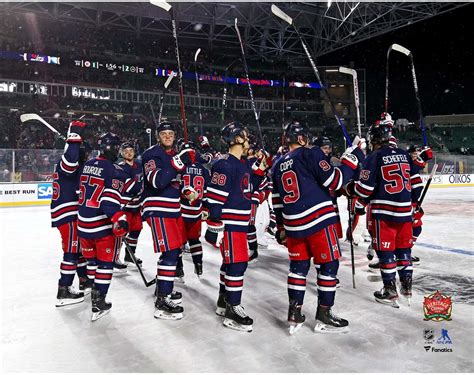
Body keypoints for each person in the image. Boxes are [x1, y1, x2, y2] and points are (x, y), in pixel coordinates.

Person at [272, 121, 365, 334]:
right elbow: (335, 181)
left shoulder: (277, 164)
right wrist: (352, 160)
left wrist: (281, 227)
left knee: (297, 269)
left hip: (293, 224)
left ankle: (294, 313)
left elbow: (276, 201)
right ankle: (324, 314)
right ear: (302, 139)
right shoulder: (310, 153)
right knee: (329, 266)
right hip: (318, 220)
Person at [350, 123, 426, 307]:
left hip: (384, 214)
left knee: (385, 252)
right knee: (404, 251)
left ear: (374, 140)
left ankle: (390, 290)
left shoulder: (374, 157)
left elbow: (365, 189)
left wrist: (353, 189)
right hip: (405, 213)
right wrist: (415, 204)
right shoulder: (404, 155)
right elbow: (416, 183)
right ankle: (406, 287)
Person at [203, 122, 268, 332]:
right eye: (246, 136)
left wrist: (259, 171)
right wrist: (215, 226)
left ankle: (224, 302)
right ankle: (233, 309)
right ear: (238, 139)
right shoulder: (224, 165)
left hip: (239, 224)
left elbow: (246, 188)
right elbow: (214, 199)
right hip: (230, 225)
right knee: (237, 265)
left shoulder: (242, 164)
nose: (249, 139)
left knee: (231, 265)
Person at [141, 121, 195, 320]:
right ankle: (162, 300)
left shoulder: (172, 156)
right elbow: (157, 181)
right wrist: (179, 162)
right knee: (170, 251)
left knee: (173, 251)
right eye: (163, 133)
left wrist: (186, 191)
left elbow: (173, 183)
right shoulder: (151, 154)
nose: (167, 136)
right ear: (157, 136)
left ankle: (164, 289)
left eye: (171, 133)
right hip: (158, 208)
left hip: (172, 208)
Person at [77, 132, 130, 321]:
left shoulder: (88, 165)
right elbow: (109, 203)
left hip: (82, 223)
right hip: (100, 226)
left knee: (91, 262)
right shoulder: (115, 170)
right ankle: (98, 302)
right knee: (105, 264)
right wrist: (119, 218)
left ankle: (92, 290)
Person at [51, 120, 91, 306]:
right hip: (68, 214)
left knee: (78, 249)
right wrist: (75, 136)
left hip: (68, 213)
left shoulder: (71, 164)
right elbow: (70, 162)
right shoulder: (69, 162)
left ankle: (84, 280)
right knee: (71, 251)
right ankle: (64, 289)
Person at [178, 138, 210, 276]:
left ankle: (178, 269)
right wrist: (206, 207)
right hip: (196, 210)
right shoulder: (203, 169)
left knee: (178, 242)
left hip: (181, 210)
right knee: (194, 240)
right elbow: (208, 190)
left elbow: (175, 186)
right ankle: (198, 264)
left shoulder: (180, 167)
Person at [117, 141, 144, 270]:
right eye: (125, 151)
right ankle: (114, 257)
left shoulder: (139, 165)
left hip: (136, 205)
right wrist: (143, 186)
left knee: (136, 230)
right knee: (120, 233)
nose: (128, 153)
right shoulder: (120, 167)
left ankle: (130, 255)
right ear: (122, 153)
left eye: (130, 150)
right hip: (124, 206)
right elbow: (129, 187)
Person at [407, 144, 433, 264]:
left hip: (413, 202)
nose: (416, 155)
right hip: (408, 203)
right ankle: (402, 253)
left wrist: (425, 156)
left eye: (418, 153)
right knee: (411, 228)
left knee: (416, 229)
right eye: (415, 153)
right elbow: (418, 164)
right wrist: (425, 156)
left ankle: (405, 252)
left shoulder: (412, 165)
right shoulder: (408, 164)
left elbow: (420, 164)